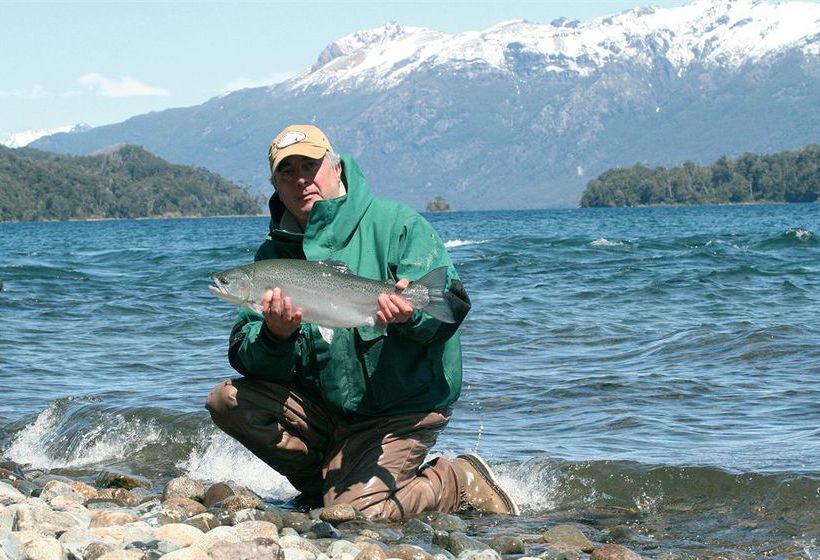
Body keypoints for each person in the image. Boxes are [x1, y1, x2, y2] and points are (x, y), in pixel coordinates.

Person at [206, 124, 519, 519]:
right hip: (329, 411)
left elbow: (451, 310)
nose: (301, 179)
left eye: (310, 165)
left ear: (335, 167)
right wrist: (276, 336)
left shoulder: (397, 224)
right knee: (227, 401)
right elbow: (243, 353)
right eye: (288, 171)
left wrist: (409, 318)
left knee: (362, 519)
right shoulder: (273, 254)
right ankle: (332, 486)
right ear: (275, 184)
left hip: (399, 412)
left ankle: (457, 480)